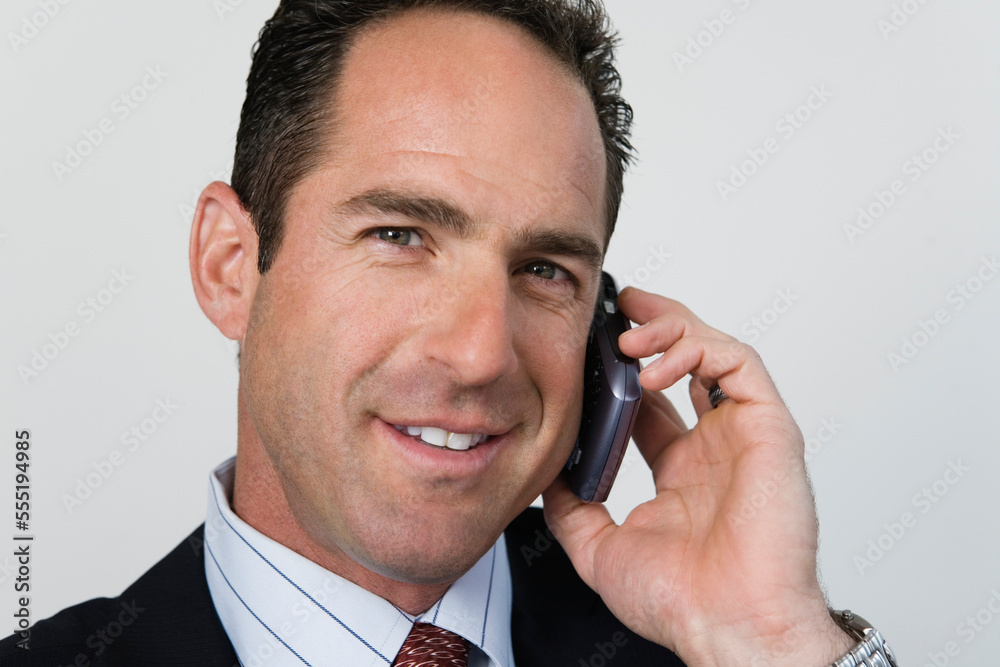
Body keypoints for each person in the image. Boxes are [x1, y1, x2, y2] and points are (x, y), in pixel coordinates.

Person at [2, 0, 896, 665]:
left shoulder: (704, 649)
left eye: (544, 269)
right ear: (230, 265)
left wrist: (771, 638)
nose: (479, 355)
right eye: (399, 235)